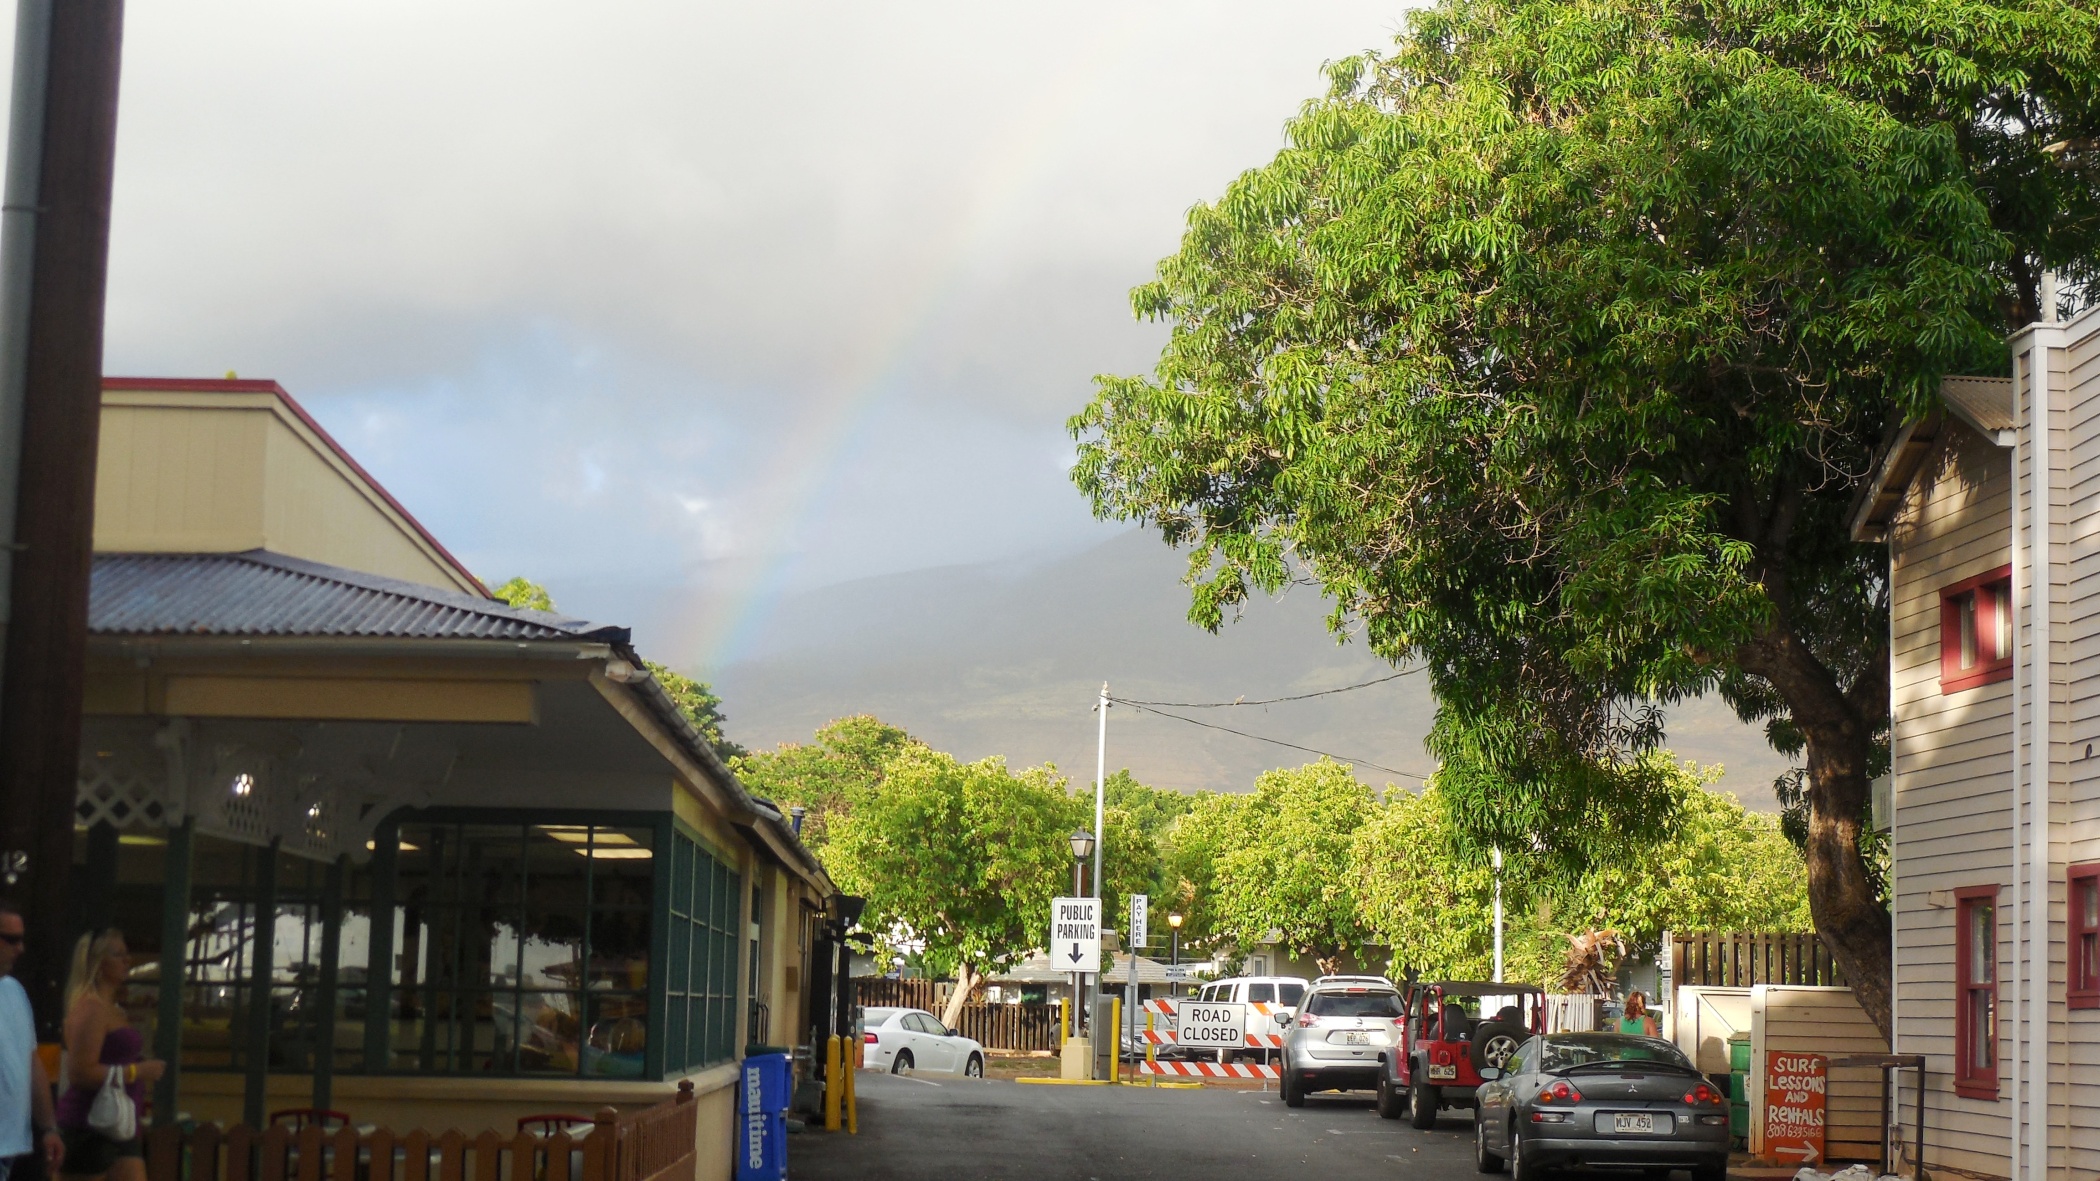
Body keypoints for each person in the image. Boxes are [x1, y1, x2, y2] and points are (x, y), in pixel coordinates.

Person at [56, 931, 162, 1181]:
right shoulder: (90, 1009)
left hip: (121, 1123)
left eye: (127, 954)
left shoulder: (112, 1009)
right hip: (89, 1124)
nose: (127, 960)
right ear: (97, 963)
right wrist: (136, 1071)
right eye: (117, 955)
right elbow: (80, 1072)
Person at [0, 904, 63, 1181]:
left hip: (13, 1144)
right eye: (11, 939)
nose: (20, 949)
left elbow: (31, 1062)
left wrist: (48, 1128)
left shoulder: (15, 992)